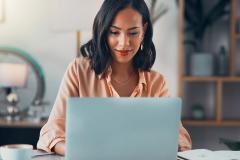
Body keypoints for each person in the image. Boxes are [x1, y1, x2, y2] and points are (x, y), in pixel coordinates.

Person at [37, 0, 192, 155]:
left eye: (133, 33)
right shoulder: (78, 71)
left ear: (144, 30)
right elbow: (51, 132)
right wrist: (77, 152)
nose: (124, 43)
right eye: (114, 32)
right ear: (103, 31)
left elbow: (180, 138)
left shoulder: (156, 82)